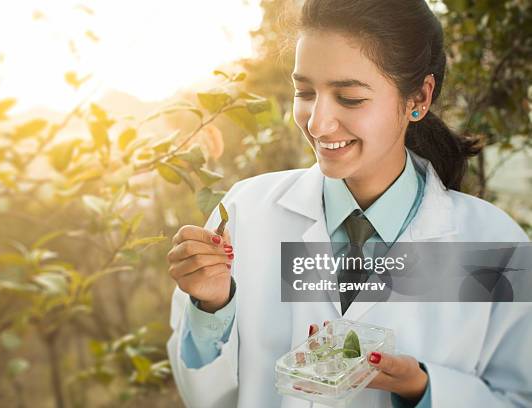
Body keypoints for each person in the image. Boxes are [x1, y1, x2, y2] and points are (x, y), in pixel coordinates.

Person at [165, 0, 531, 407]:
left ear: (419, 98)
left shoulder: (493, 246)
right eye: (305, 92)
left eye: (350, 98)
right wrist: (212, 306)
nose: (318, 123)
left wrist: (422, 389)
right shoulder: (246, 215)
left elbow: (519, 396)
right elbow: (202, 391)